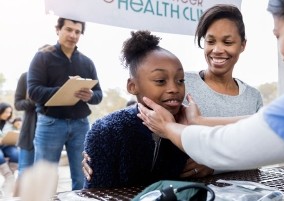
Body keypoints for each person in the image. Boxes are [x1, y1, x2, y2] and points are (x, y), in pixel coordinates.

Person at [138, 0, 284, 199]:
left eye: (278, 35)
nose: (283, 54)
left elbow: (226, 145)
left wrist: (168, 127)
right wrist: (199, 123)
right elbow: (265, 124)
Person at [82, 4, 263, 179]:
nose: (217, 50)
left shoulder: (253, 97)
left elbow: (260, 151)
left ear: (242, 45)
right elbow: (136, 118)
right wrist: (100, 149)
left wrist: (214, 164)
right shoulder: (179, 85)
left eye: (228, 42)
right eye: (210, 41)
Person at [83, 30, 188, 188]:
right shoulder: (107, 131)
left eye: (180, 80)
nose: (174, 88)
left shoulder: (186, 128)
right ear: (132, 86)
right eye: (160, 80)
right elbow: (97, 193)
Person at [27, 17, 103, 190]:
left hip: (81, 125)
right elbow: (33, 91)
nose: (73, 35)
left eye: (77, 32)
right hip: (50, 123)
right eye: (68, 29)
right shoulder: (42, 57)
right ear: (58, 30)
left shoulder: (87, 62)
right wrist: (64, 90)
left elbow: (99, 95)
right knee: (44, 179)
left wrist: (90, 95)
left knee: (83, 176)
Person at [14, 72, 36, 176]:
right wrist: (34, 101)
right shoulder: (26, 76)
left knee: (46, 175)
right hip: (29, 132)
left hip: (53, 133)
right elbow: (17, 104)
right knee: (25, 171)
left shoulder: (55, 76)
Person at [0, 103, 18, 196]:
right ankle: (9, 177)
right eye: (6, 112)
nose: (8, 114)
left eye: (10, 112)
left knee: (15, 154)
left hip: (6, 144)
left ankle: (9, 180)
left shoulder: (9, 123)